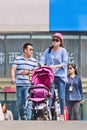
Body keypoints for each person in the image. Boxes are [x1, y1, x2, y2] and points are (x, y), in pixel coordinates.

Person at [40, 33, 68, 120]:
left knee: (61, 96)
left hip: (60, 77)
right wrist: (42, 65)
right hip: (50, 76)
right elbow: (42, 60)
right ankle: (48, 113)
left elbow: (65, 63)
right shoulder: (48, 50)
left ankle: (62, 115)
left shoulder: (63, 51)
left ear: (60, 42)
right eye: (53, 40)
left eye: (57, 40)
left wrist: (55, 66)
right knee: (49, 95)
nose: (54, 42)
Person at [10, 43, 38, 120]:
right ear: (25, 50)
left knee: (28, 102)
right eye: (30, 49)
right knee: (20, 103)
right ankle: (22, 117)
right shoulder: (17, 59)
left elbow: (36, 72)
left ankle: (28, 119)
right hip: (19, 84)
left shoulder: (34, 61)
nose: (32, 51)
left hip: (29, 85)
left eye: (32, 49)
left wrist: (28, 71)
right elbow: (13, 69)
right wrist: (13, 78)